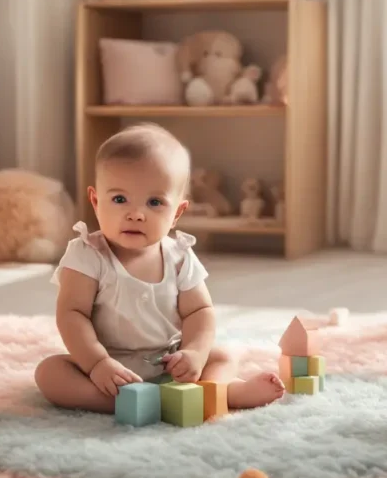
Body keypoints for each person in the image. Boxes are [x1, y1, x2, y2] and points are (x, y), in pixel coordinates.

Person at [34, 123, 285, 413]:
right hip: (110, 368)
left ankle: (220, 392)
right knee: (50, 373)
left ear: (177, 212)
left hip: (168, 361)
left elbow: (199, 312)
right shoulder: (87, 255)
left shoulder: (180, 257)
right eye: (119, 199)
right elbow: (72, 314)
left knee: (222, 355)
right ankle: (124, 402)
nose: (136, 214)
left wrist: (192, 353)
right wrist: (97, 364)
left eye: (154, 202)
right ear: (95, 201)